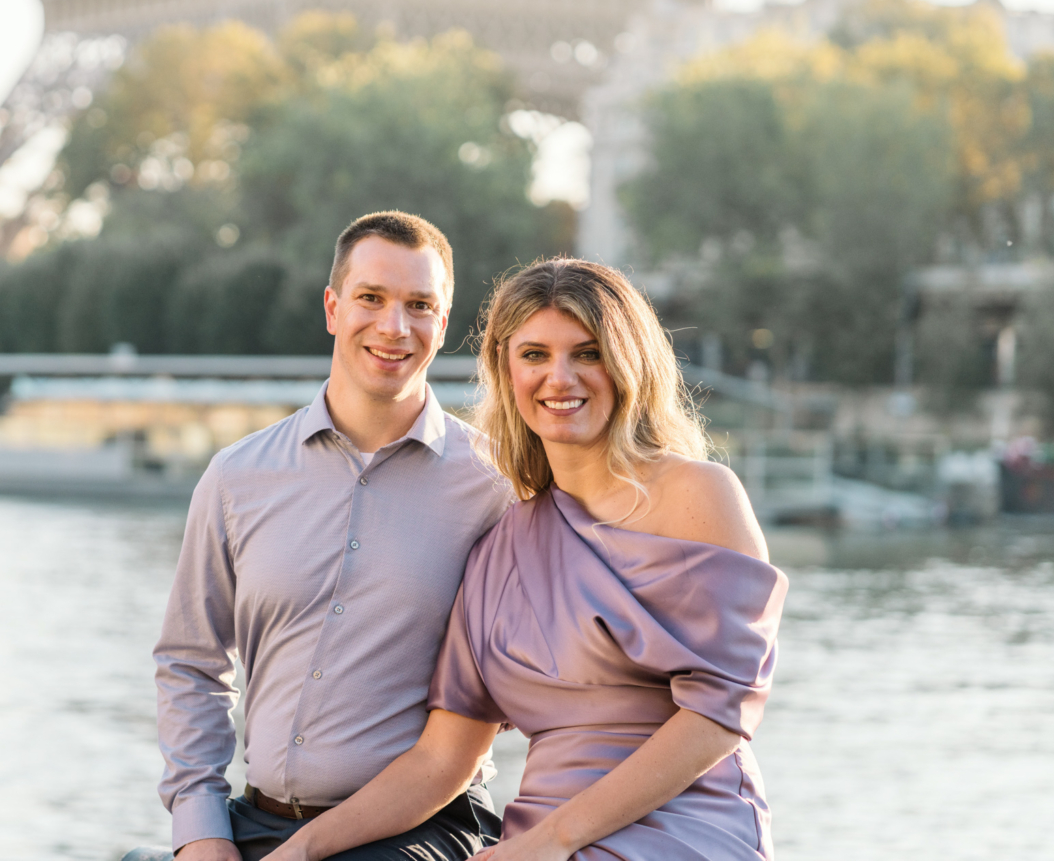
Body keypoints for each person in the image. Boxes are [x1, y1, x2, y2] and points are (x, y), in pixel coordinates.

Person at [261, 258, 789, 861]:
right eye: (534, 355)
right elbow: (442, 759)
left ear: (629, 362)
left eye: (588, 353)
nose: (559, 378)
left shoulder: (699, 494)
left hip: (685, 825)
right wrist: (301, 851)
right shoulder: (500, 543)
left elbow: (718, 718)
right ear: (505, 370)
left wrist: (552, 842)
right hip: (535, 838)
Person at [155, 211, 513, 861]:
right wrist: (201, 832)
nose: (394, 326)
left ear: (444, 320)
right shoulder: (237, 477)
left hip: (420, 830)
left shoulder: (494, 493)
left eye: (419, 305)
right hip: (255, 821)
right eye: (371, 299)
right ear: (332, 306)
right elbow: (190, 662)